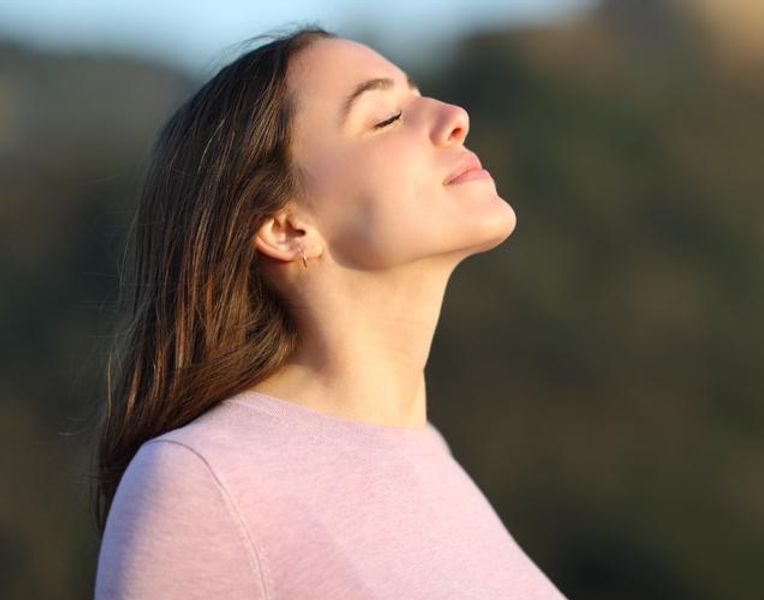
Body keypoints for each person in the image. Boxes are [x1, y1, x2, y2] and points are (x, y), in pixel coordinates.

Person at [91, 25, 566, 599]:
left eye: (417, 96)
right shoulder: (205, 482)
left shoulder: (429, 459)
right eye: (386, 117)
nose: (454, 116)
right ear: (286, 228)